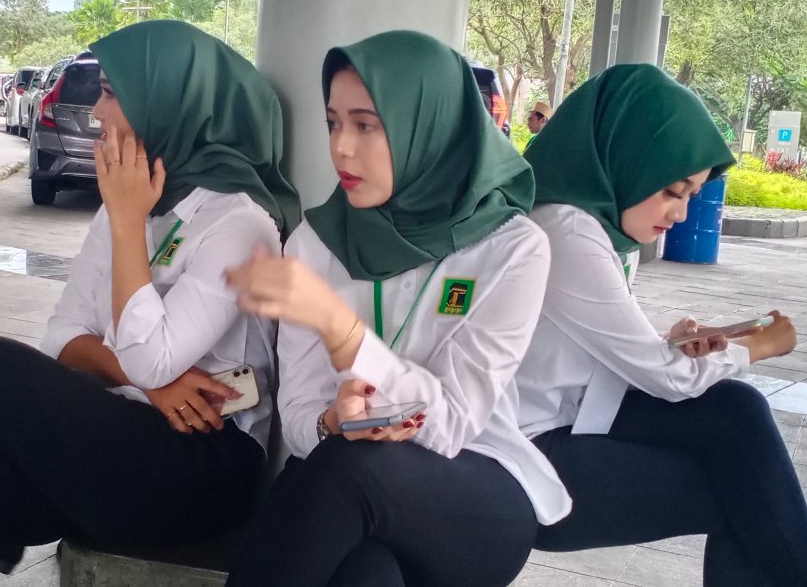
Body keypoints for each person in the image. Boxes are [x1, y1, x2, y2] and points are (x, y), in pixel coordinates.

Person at [0, 20, 300, 586]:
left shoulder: (237, 223)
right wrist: (149, 383)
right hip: (113, 437)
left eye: (112, 94)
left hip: (200, 466)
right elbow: (64, 337)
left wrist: (128, 224)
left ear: (171, 104)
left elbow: (150, 358)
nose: (97, 111)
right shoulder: (128, 204)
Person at [224, 30, 571, 587]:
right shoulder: (317, 242)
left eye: (366, 125)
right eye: (333, 123)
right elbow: (299, 412)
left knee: (344, 470)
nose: (341, 147)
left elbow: (452, 424)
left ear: (428, 126)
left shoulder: (511, 248)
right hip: (345, 486)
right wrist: (331, 422)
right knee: (366, 571)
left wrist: (344, 332)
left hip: (473, 488)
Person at [516, 63, 807, 586]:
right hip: (528, 451)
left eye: (690, 196)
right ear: (626, 157)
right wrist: (755, 348)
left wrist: (671, 341)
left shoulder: (594, 226)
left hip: (578, 415)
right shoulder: (565, 231)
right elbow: (665, 379)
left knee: (736, 413)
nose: (681, 214)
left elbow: (608, 346)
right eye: (672, 190)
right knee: (750, 494)